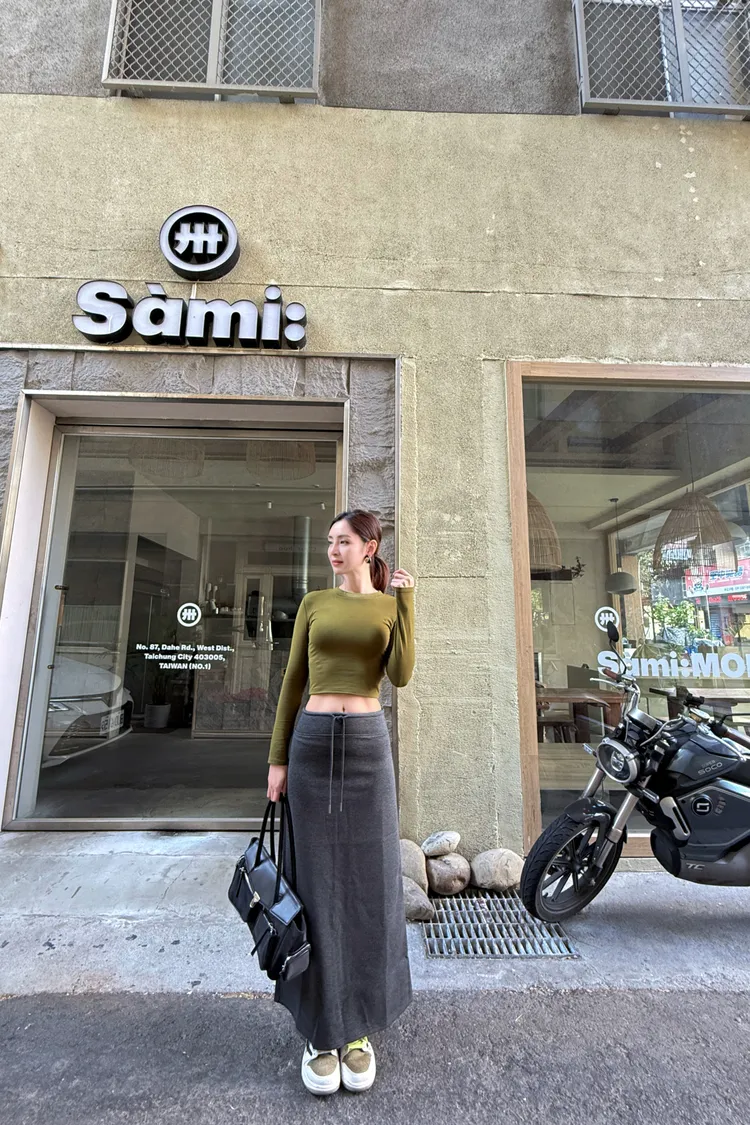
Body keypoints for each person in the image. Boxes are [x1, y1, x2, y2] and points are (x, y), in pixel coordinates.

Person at [266, 508, 416, 1096]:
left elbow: (400, 674)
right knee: (315, 881)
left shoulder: (388, 607)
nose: (333, 549)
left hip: (367, 748)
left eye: (344, 541)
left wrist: (407, 603)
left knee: (369, 882)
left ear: (369, 547)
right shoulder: (314, 604)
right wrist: (277, 759)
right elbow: (292, 682)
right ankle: (321, 1029)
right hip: (311, 745)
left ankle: (357, 1028)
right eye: (330, 540)